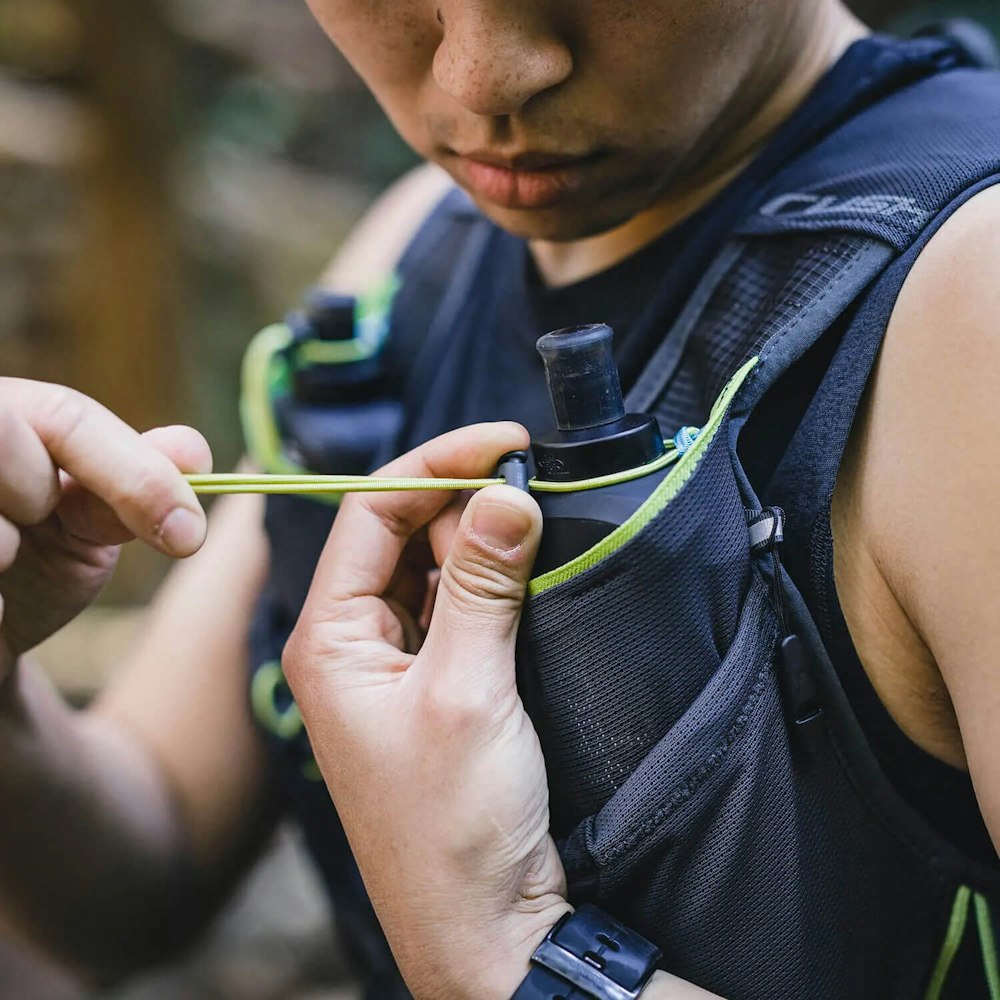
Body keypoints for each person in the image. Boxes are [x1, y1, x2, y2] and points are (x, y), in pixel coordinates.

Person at [1, 1, 1000, 997]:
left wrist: (500, 946)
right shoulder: (422, 244)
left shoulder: (970, 301)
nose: (485, 75)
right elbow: (141, 868)